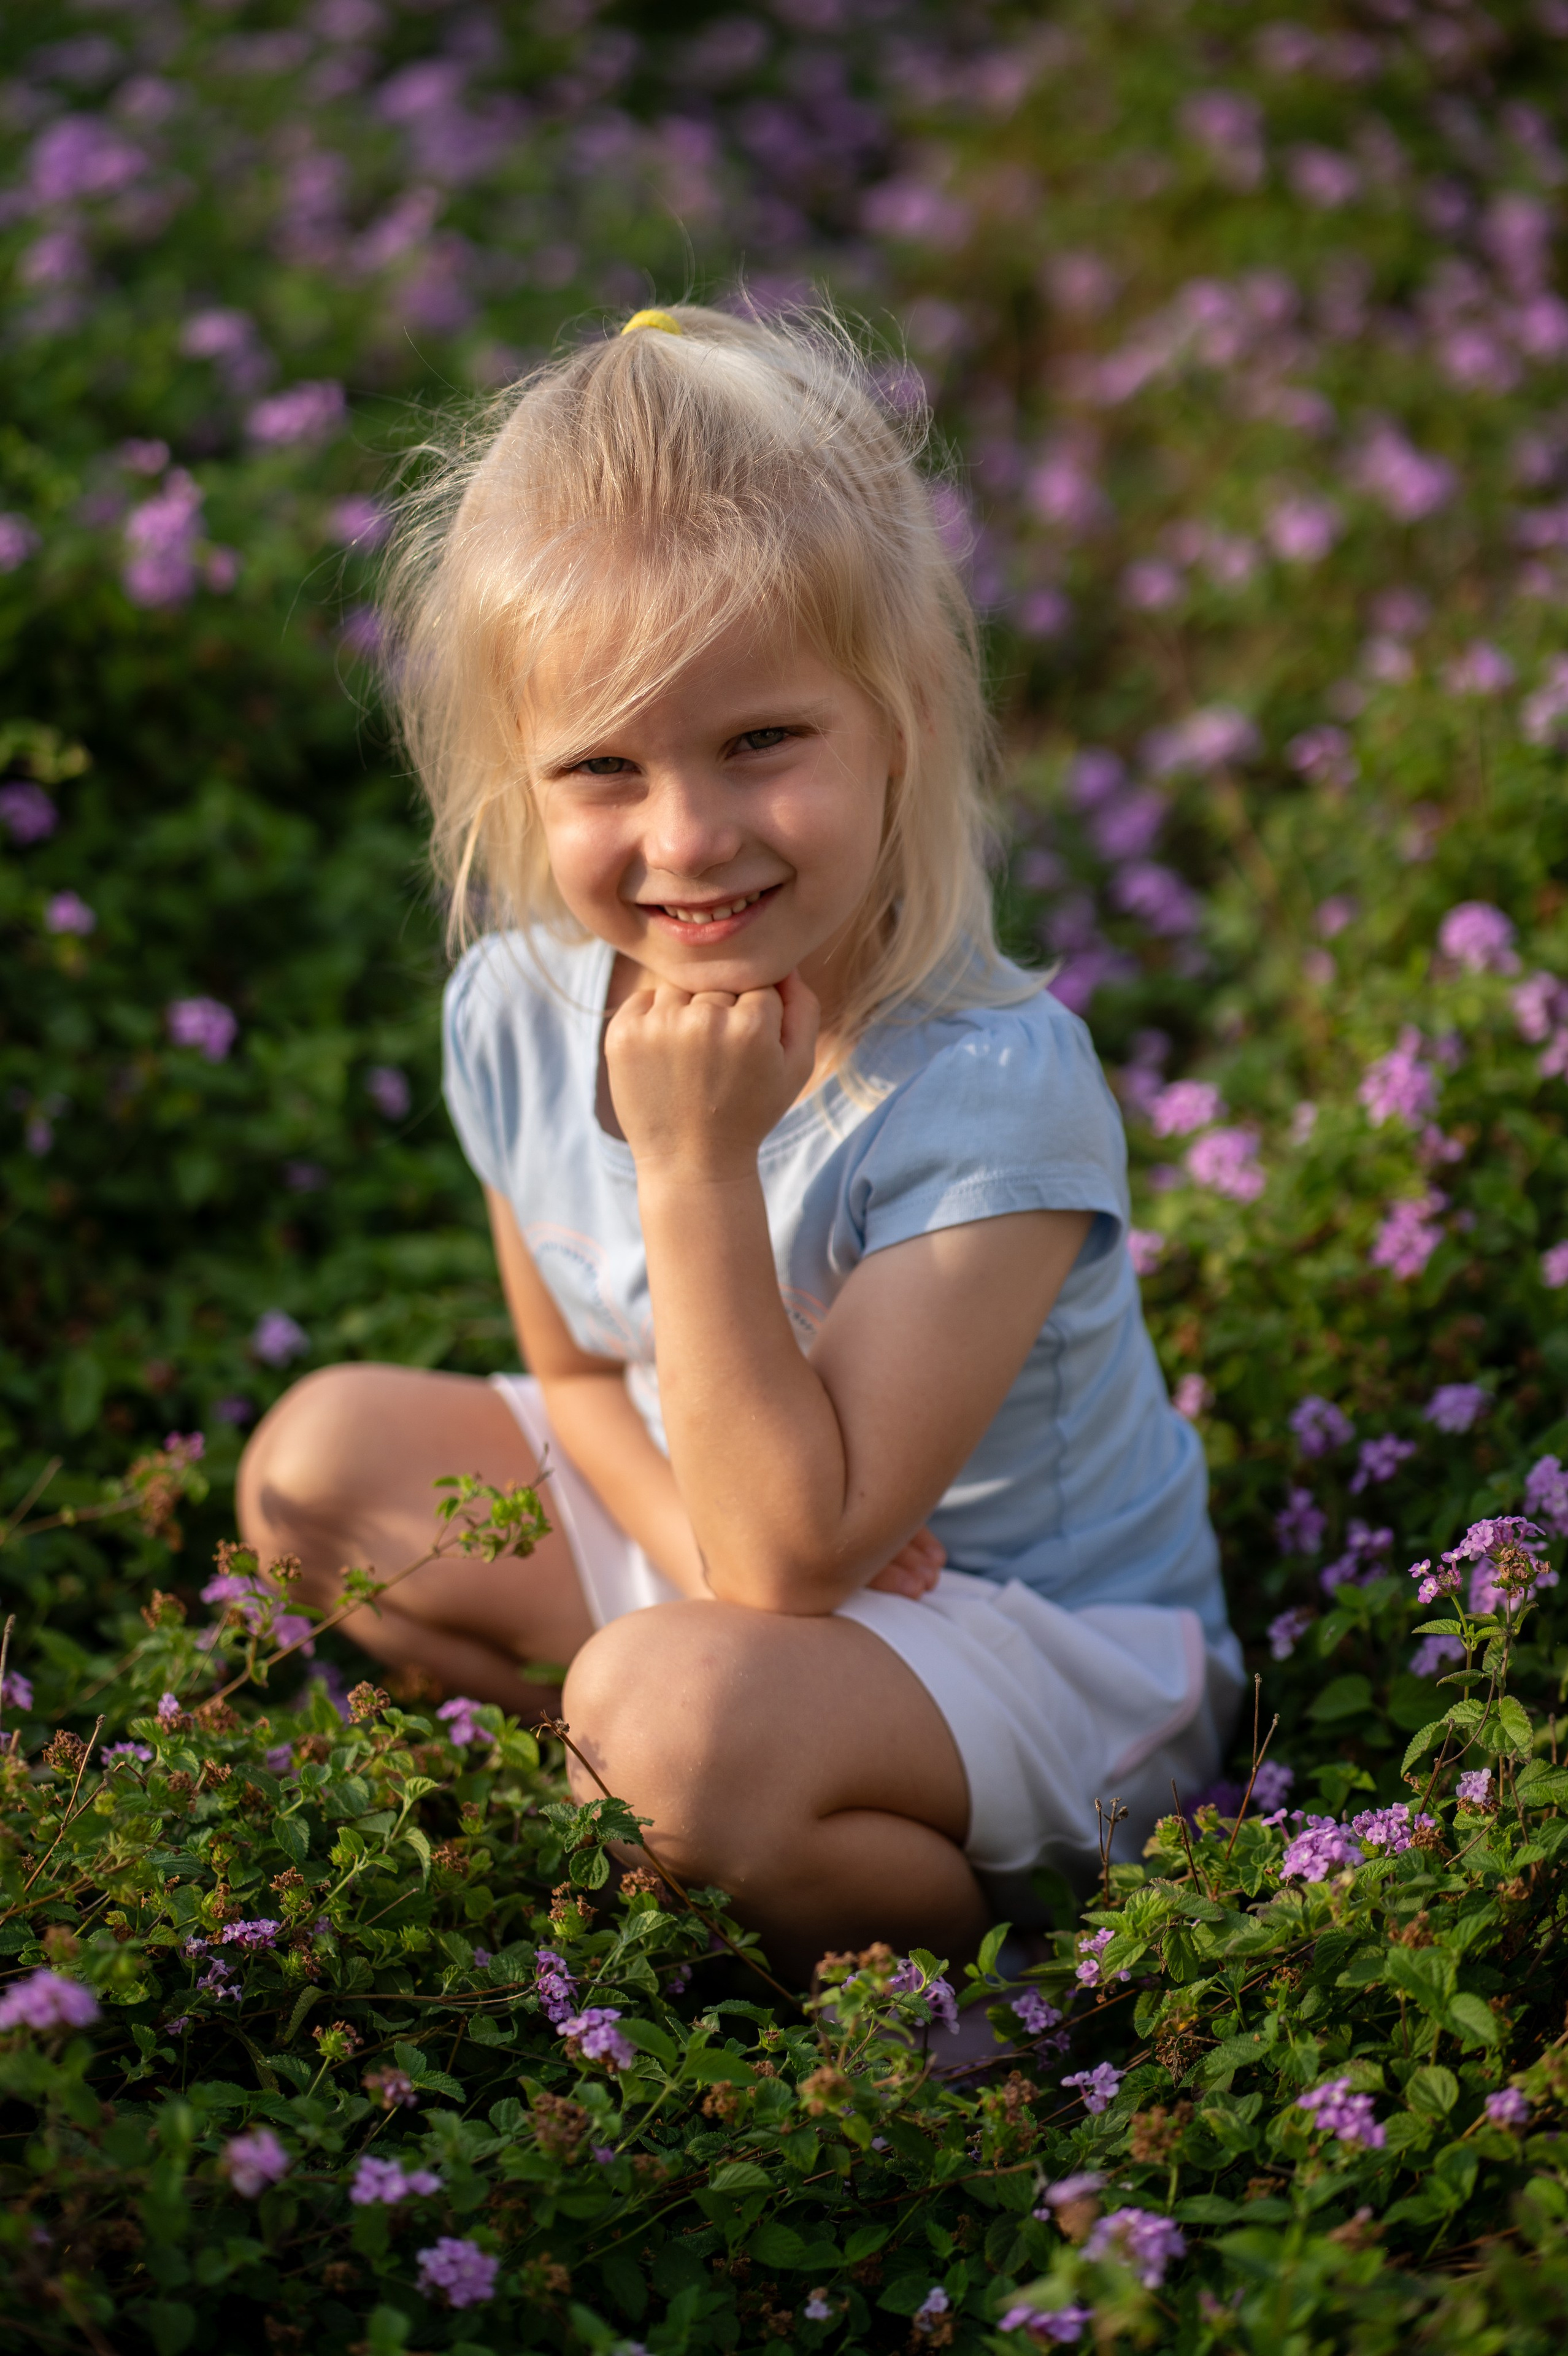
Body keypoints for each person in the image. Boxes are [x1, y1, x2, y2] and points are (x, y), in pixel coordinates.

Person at [239, 302, 1240, 1980]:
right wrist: (704, 1555)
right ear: (515, 784)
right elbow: (577, 1385)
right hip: (742, 1532)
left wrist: (694, 1166)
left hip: (1035, 1647)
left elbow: (794, 1553)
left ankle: (981, 1969)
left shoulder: (990, 1088)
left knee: (670, 1727)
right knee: (315, 1467)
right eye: (603, 768)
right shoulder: (514, 1011)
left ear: (900, 722)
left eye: (762, 742)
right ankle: (685, 1802)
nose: (687, 838)